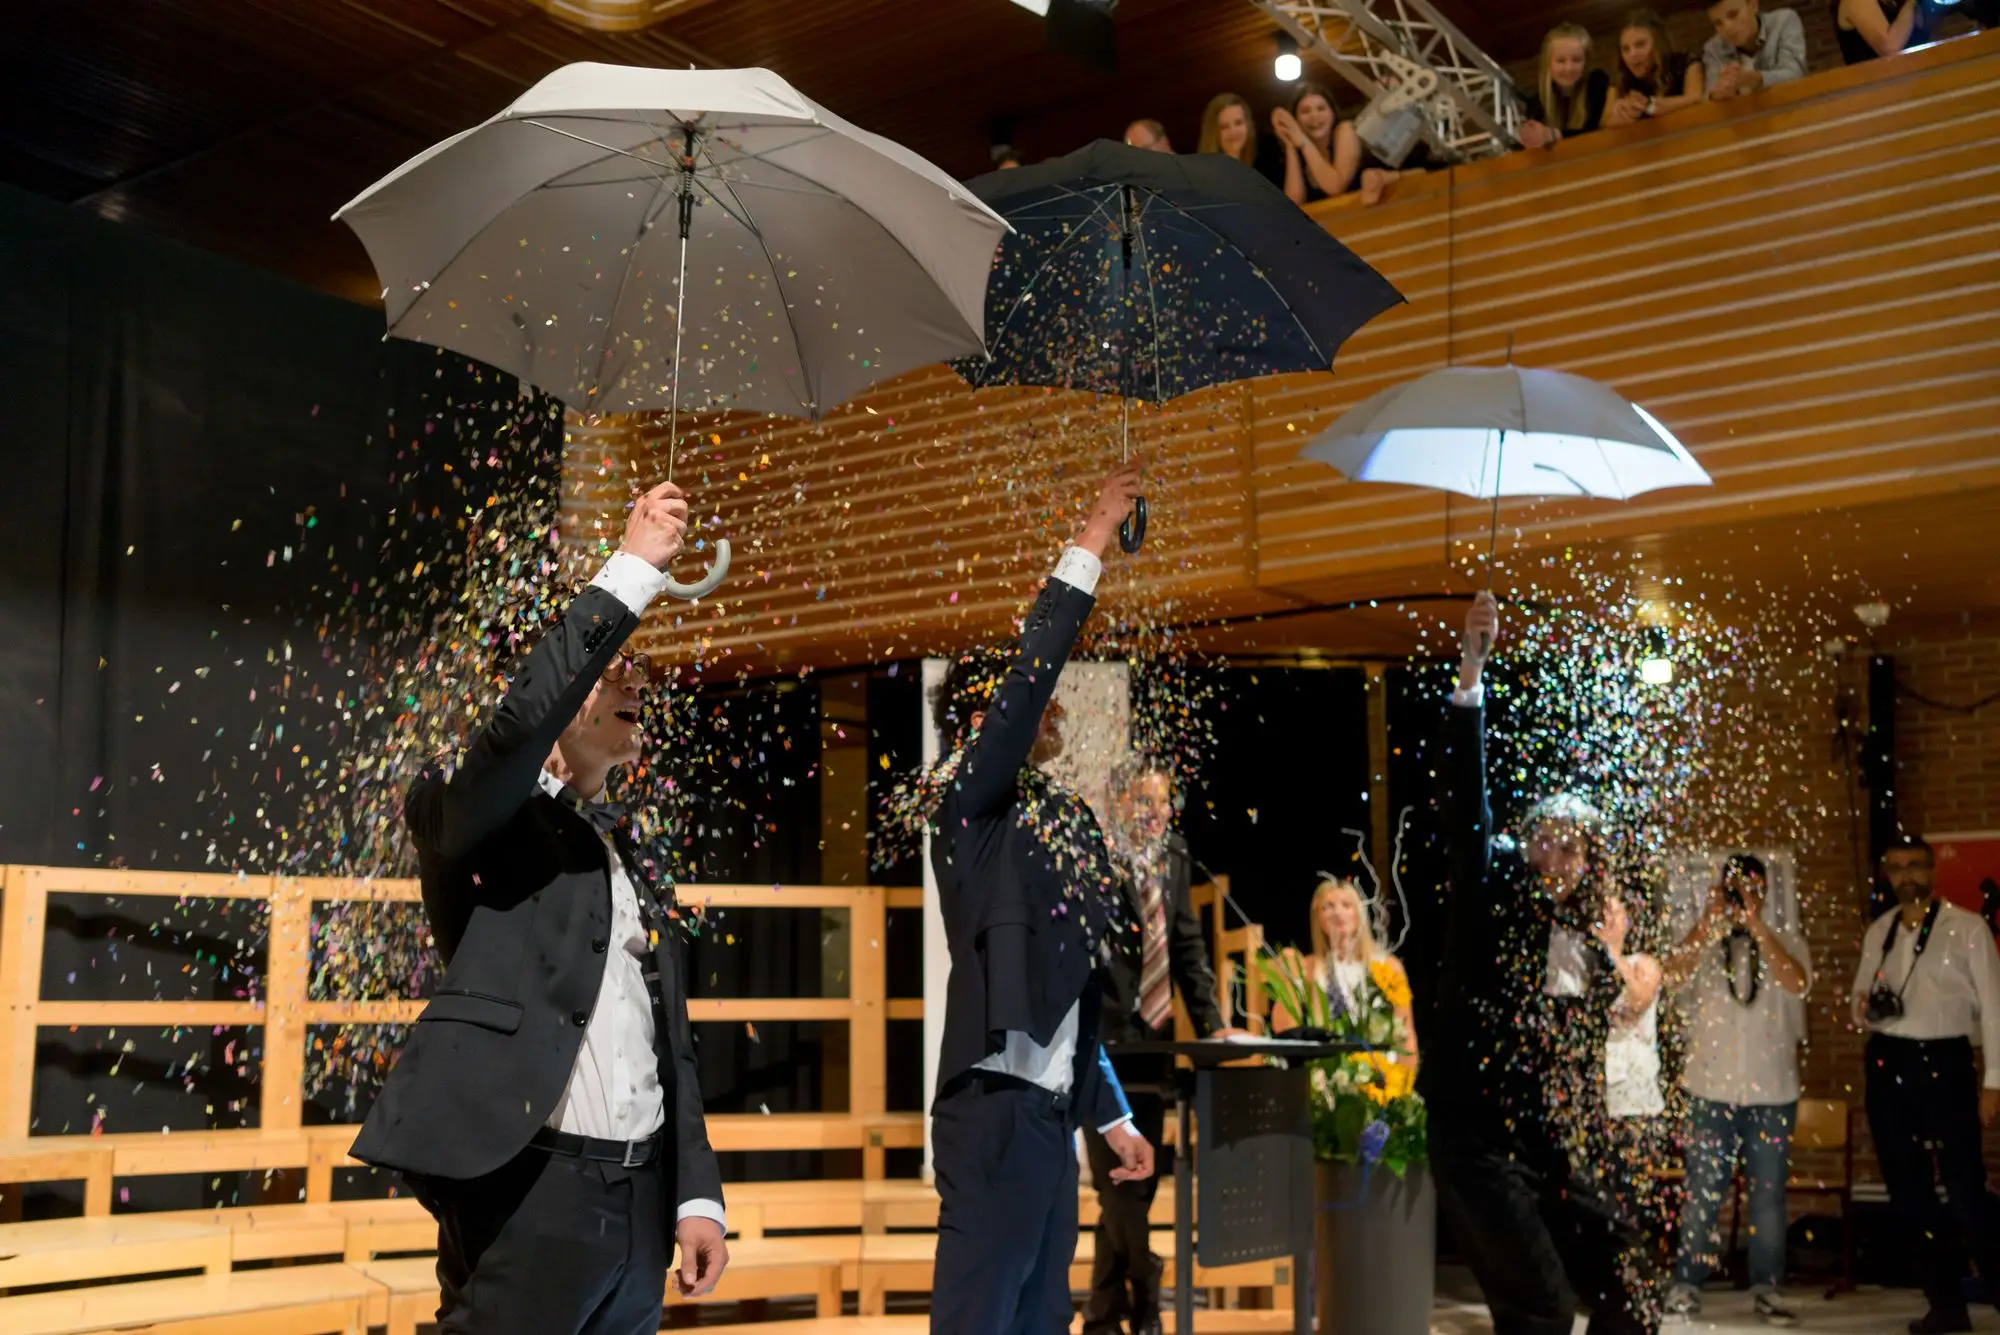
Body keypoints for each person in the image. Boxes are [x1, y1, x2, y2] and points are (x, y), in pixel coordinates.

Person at [348, 480, 728, 1335]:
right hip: (530, 1192)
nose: (634, 674)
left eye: (636, 661)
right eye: (611, 662)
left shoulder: (629, 849)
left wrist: (695, 1192)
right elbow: (520, 727)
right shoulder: (471, 808)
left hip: (639, 1206)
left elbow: (669, 1041)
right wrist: (631, 570)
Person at [927, 463, 1158, 1335]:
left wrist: (1112, 1113)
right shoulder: (968, 799)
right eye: (1031, 697)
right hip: (992, 1111)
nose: (1048, 704)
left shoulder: (1059, 816)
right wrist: (1092, 538)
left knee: (1040, 1321)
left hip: (1052, 1117)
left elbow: (1065, 990)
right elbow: (1024, 686)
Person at [1423, 591, 1662, 1335]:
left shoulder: (1591, 933)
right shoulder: (1491, 887)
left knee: (1634, 1289)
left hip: (1548, 1144)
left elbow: (1606, 1030)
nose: (1555, 853)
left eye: (1571, 844)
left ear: (1588, 859)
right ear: (1526, 843)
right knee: (1542, 1312)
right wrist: (1471, 673)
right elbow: (1466, 803)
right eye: (1545, 838)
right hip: (1476, 1140)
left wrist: (1617, 968)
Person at [1083, 755, 1232, 1335]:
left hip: (1155, 1040)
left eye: (1163, 802)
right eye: (1145, 801)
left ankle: (1103, 1313)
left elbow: (1187, 945)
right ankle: (1146, 1290)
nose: (1157, 812)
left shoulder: (1175, 854)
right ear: (1120, 803)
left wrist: (1212, 1024)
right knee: (1116, 1182)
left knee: (1136, 1186)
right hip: (1102, 1042)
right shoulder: (1095, 851)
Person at [1850, 836, 2000, 1335]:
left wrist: (1994, 1081)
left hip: (1946, 1060)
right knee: (1908, 1189)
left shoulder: (1968, 927)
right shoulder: (1880, 930)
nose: (1905, 876)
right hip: (1889, 1059)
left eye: (1914, 865)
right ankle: (1946, 1303)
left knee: (1966, 1189)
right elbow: (1857, 999)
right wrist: (1863, 1007)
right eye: (1895, 867)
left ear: (1932, 871)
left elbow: (1995, 1008)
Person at [1659, 853, 1812, 1327]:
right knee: (1703, 1193)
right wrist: (1708, 922)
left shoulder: (1787, 939)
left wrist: (1757, 925)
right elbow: (1669, 976)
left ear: (1764, 891)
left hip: (1773, 1092)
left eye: (1751, 889)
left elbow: (1797, 983)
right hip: (1709, 1089)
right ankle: (1686, 1285)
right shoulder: (1704, 939)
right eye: (1734, 888)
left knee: (1768, 1197)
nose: (1742, 897)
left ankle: (1767, 1289)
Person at [1272, 877, 1420, 1070]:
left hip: (1381, 1073)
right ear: (1318, 918)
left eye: (1346, 905)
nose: (1337, 913)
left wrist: (1404, 1082)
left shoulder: (1388, 966)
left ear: (1359, 914)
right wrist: (1287, 979)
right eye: (1328, 907)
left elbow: (1406, 1034)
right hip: (1326, 1074)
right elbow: (1283, 1031)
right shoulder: (1307, 968)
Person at [1603, 9, 1707, 127]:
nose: (1632, 54)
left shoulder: (1686, 62)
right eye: (1625, 49)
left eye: (1640, 44)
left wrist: (1650, 105)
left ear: (1658, 44)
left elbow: (1696, 99)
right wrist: (1617, 117)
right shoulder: (1620, 80)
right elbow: (1605, 121)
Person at [1519, 24, 1611, 149]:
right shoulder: (1538, 101)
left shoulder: (1597, 81)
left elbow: (1595, 133)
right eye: (1561, 61)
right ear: (1548, 64)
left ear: (1587, 62)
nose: (1569, 68)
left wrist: (1552, 135)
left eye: (1576, 60)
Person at [1270, 82, 1363, 204]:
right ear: (1296, 120)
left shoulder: (1345, 129)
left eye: (1321, 108)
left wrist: (1302, 139)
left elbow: (1335, 187)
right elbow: (1294, 203)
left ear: (1332, 113)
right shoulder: (1300, 147)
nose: (1314, 116)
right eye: (1305, 111)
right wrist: (1290, 144)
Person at [1704, 0, 1810, 102]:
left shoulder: (1783, 21)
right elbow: (1710, 95)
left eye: (1733, 15)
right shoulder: (1713, 48)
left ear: (1753, 5)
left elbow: (1796, 74)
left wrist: (1758, 79)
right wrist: (1719, 94)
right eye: (1718, 23)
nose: (1728, 27)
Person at [1198, 92, 1283, 186]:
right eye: (1224, 127)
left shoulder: (1262, 165)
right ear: (1213, 133)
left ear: (1248, 125)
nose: (1233, 132)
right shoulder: (1202, 176)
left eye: (1238, 123)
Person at [1834, 0, 1935, 63]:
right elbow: (1890, 48)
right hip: (1880, 86)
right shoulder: (1856, 1)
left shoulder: (1896, 4)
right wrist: (1910, 3)